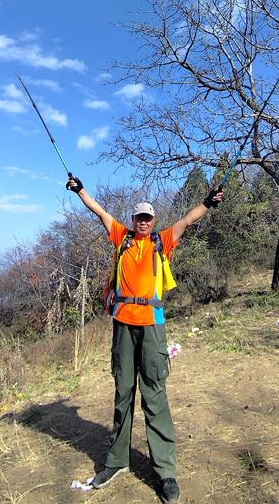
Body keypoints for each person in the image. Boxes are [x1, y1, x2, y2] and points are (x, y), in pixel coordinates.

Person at [66, 174, 223, 503]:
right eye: (139, 217)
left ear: (153, 221)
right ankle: (116, 462)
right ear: (133, 219)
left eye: (148, 218)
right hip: (122, 323)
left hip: (152, 325)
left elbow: (187, 220)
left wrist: (208, 202)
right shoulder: (121, 237)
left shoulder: (162, 241)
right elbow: (99, 211)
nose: (143, 222)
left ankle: (165, 472)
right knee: (123, 392)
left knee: (154, 395)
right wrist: (80, 190)